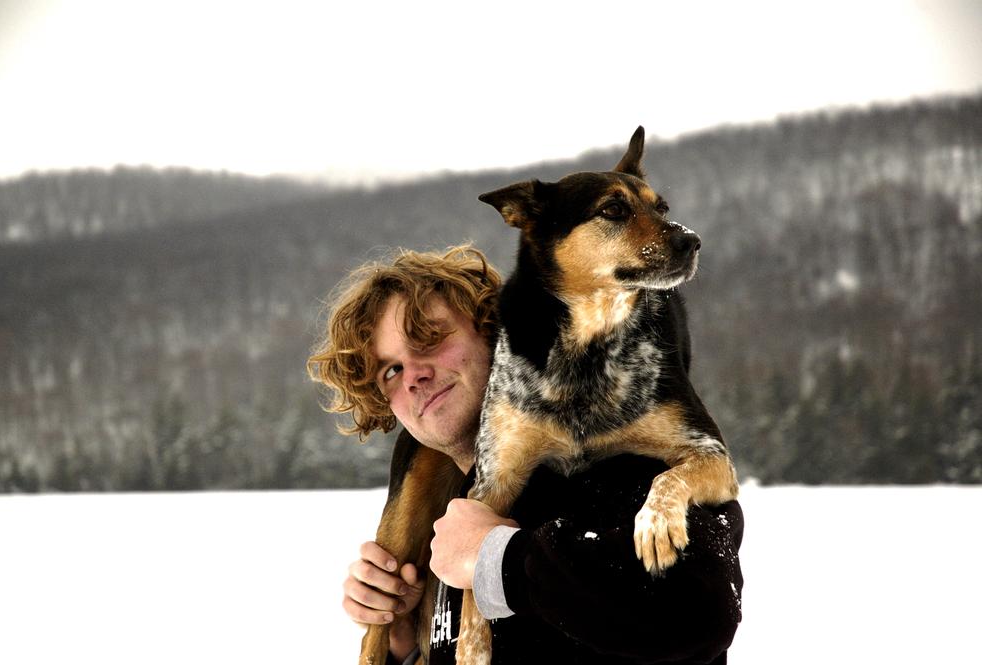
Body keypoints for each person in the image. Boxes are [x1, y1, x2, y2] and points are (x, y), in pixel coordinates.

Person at [309, 245, 744, 665]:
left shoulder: (610, 449)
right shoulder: (448, 523)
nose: (414, 377)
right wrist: (406, 640)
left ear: (497, 331)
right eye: (391, 370)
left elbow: (699, 613)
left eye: (430, 339)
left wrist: (497, 559)